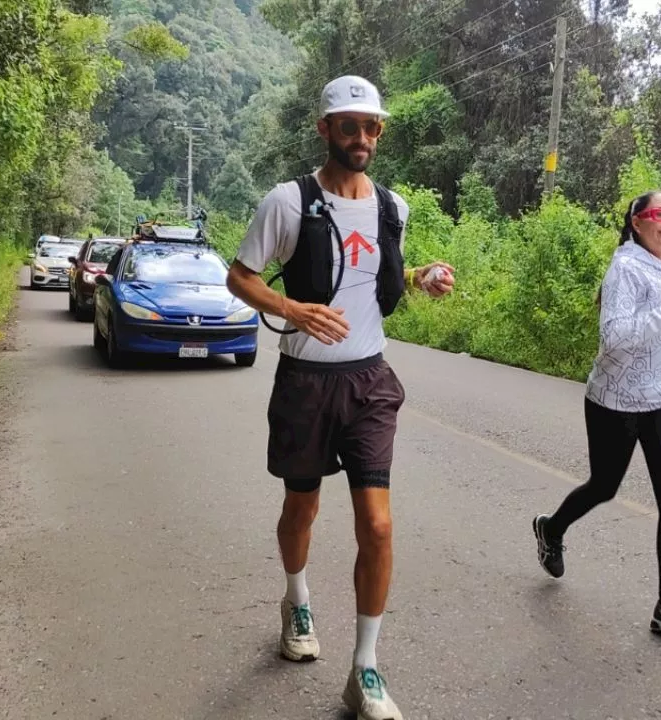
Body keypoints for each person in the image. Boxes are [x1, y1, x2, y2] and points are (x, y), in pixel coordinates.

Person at [226, 75, 454, 720]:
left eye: (372, 126)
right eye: (348, 125)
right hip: (305, 382)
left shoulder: (392, 206)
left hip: (370, 382)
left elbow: (373, 271)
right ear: (325, 129)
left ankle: (365, 670)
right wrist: (290, 308)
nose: (362, 137)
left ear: (380, 132)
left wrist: (420, 276)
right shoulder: (288, 202)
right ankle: (295, 597)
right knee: (302, 509)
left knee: (378, 524)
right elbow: (238, 275)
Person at [530, 190, 661, 641]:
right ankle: (551, 529)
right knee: (604, 486)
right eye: (659, 215)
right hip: (615, 399)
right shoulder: (624, 269)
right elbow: (616, 336)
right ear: (637, 222)